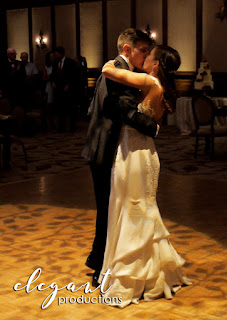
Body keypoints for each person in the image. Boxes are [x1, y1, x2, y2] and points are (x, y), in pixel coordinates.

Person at [98, 45, 192, 308]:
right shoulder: (158, 85)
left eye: (149, 55)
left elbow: (108, 71)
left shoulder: (150, 81)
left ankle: (134, 278)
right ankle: (151, 272)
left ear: (156, 64)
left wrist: (113, 60)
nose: (146, 58)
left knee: (132, 209)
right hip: (143, 152)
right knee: (140, 209)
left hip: (135, 153)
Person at [81, 28, 159, 287]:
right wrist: (153, 127)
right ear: (128, 49)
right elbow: (125, 110)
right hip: (104, 148)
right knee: (107, 208)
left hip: (106, 146)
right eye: (142, 51)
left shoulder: (120, 70)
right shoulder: (116, 72)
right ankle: (100, 266)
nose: (144, 56)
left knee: (110, 208)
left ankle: (98, 259)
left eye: (148, 52)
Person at [51, 46, 77, 133]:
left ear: (61, 54)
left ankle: (72, 128)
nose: (55, 55)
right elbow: (53, 74)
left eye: (56, 54)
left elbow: (73, 75)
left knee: (70, 109)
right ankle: (61, 128)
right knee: (60, 110)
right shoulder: (55, 63)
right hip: (58, 89)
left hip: (68, 90)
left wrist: (69, 85)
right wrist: (53, 82)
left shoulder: (70, 62)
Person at [43, 51, 56, 130]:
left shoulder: (57, 65)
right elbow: (44, 78)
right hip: (49, 86)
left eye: (53, 56)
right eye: (51, 57)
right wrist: (50, 78)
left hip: (56, 86)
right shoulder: (46, 67)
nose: (52, 58)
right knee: (49, 104)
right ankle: (50, 122)